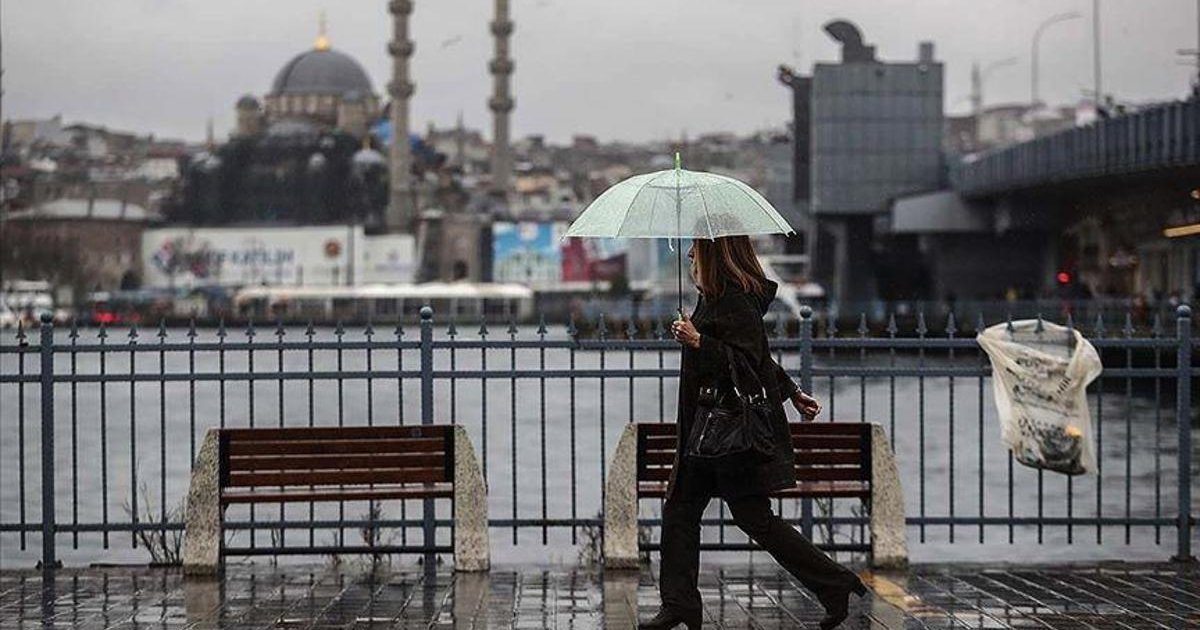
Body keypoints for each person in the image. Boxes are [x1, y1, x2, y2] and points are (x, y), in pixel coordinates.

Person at [639, 236, 866, 630]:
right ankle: (679, 604)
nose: (691, 253)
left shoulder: (735, 300)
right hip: (706, 432)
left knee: (753, 520)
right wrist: (793, 392)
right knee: (681, 511)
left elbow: (745, 362)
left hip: (727, 434)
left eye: (696, 246)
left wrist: (699, 341)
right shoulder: (714, 297)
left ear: (716, 251)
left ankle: (835, 584)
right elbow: (759, 358)